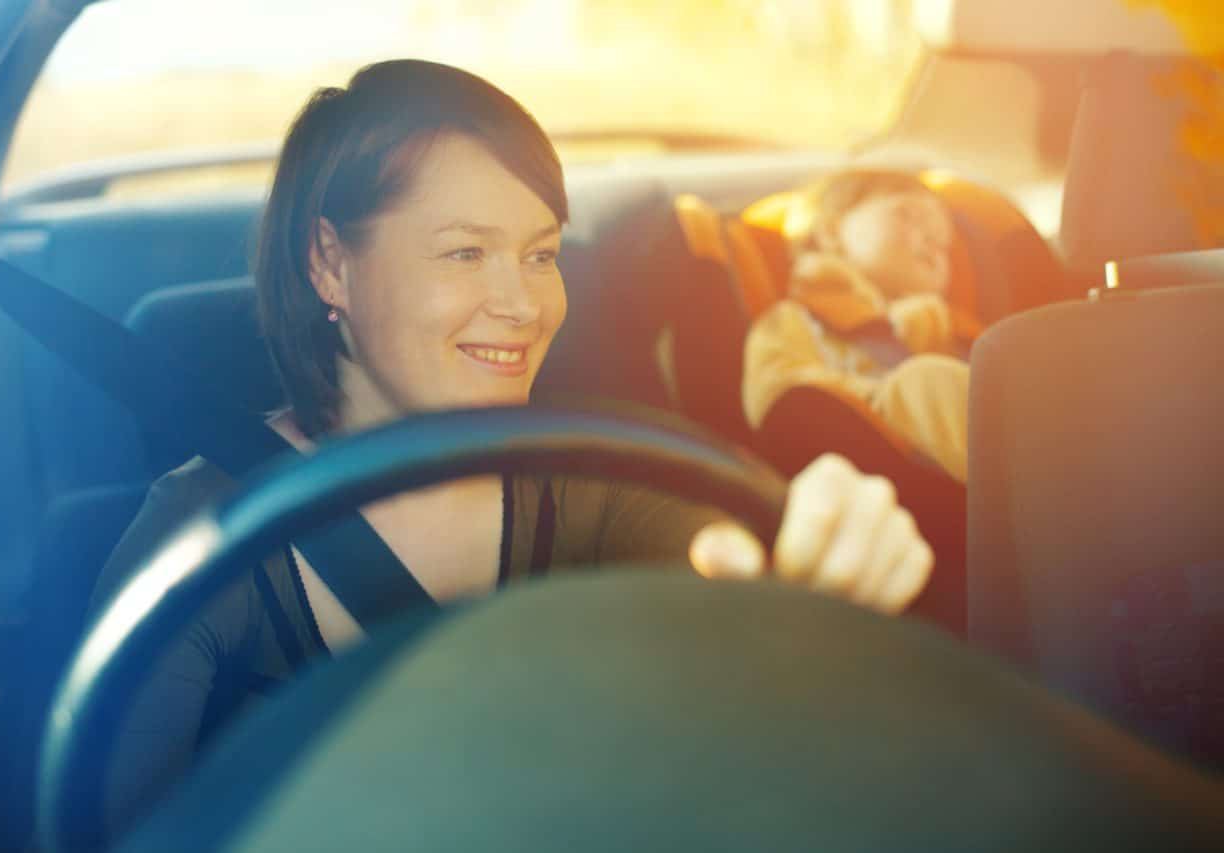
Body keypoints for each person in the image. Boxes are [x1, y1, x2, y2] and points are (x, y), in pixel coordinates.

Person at [89, 61, 935, 839]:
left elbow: (734, 582)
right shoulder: (201, 535)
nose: (522, 304)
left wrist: (814, 578)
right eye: (466, 252)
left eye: (539, 255)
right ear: (329, 264)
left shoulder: (594, 476)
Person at [742, 170, 979, 482]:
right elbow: (780, 395)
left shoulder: (958, 329)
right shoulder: (798, 318)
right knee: (926, 380)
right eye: (909, 216)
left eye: (944, 240)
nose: (934, 239)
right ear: (832, 233)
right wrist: (886, 400)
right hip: (879, 465)